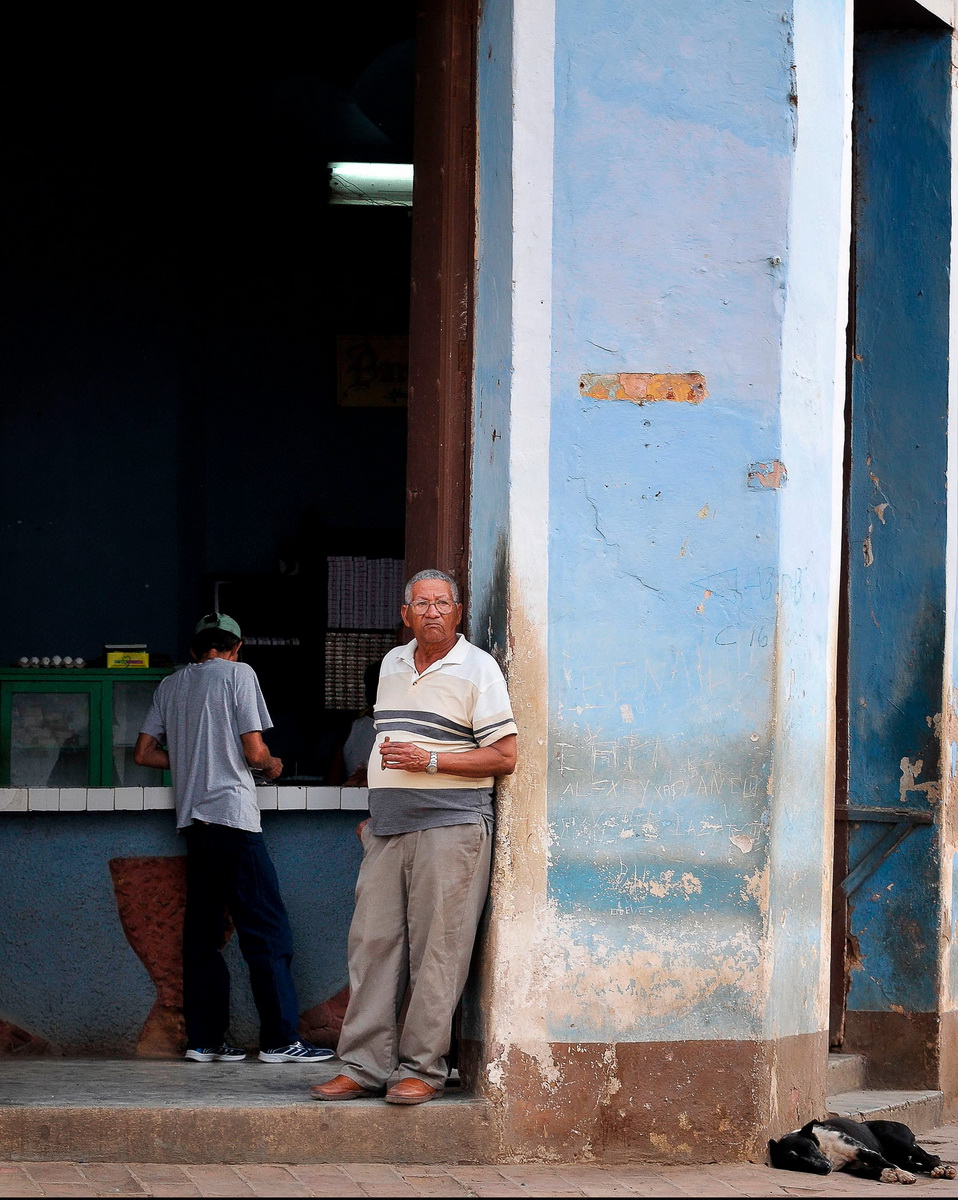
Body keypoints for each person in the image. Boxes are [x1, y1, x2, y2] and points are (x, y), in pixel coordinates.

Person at [312, 569, 518, 1104]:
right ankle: (363, 1067)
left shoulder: (478, 668)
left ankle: (422, 1070)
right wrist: (376, 814)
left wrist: (430, 760)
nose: (432, 612)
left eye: (442, 603)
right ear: (405, 614)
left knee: (438, 951)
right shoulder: (392, 664)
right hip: (388, 829)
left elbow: (504, 756)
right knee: (372, 946)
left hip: (451, 826)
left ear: (458, 613)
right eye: (421, 603)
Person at [133, 611, 333, 1065]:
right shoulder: (239, 674)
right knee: (266, 929)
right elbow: (254, 751)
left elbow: (144, 753)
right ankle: (280, 1040)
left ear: (194, 649)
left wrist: (193, 757)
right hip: (232, 819)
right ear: (237, 648)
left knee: (202, 935)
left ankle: (204, 1041)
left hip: (194, 823)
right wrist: (271, 765)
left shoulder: (171, 685)